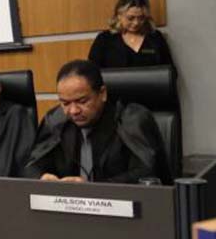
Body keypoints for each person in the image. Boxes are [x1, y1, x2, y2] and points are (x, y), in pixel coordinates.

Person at [25, 59, 170, 183]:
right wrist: (42, 177)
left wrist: (93, 189)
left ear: (102, 93)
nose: (73, 110)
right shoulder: (55, 121)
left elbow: (146, 174)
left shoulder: (131, 120)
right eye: (65, 103)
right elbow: (31, 166)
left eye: (82, 101)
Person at [88, 0, 174, 69]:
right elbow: (91, 73)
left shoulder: (156, 37)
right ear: (119, 15)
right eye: (130, 18)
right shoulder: (104, 39)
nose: (136, 23)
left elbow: (170, 72)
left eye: (141, 18)